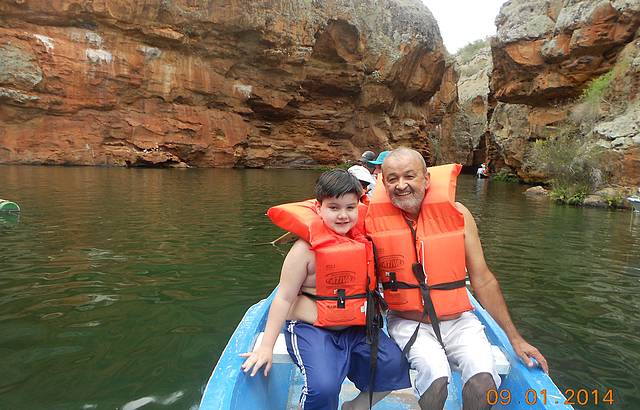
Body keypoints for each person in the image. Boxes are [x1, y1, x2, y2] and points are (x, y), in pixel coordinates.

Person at [365, 148, 548, 410]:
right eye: (392, 179)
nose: (401, 185)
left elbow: (483, 280)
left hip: (459, 319)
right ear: (384, 183)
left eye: (409, 176)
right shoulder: (371, 222)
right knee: (436, 378)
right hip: (408, 321)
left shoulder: (459, 215)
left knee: (483, 381)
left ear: (427, 179)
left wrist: (515, 338)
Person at [241, 169, 411, 410]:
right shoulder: (304, 251)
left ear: (358, 207)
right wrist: (266, 347)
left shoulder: (365, 241)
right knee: (323, 388)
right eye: (334, 208)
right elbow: (284, 297)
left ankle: (356, 406)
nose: (343, 215)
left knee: (394, 365)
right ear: (318, 208)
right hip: (311, 329)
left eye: (350, 208)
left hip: (356, 328)